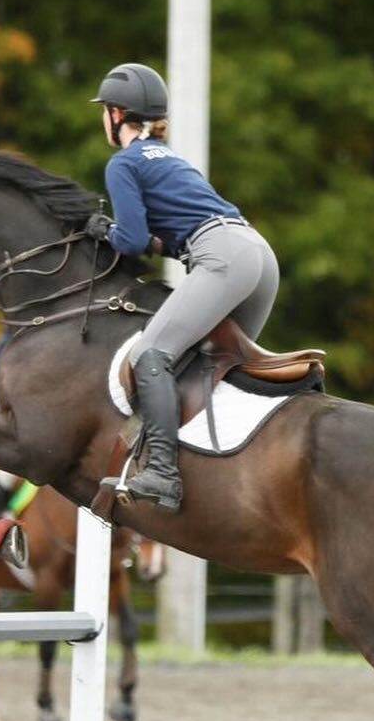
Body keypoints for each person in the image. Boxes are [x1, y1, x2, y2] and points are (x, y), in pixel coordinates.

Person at [85, 62, 279, 512]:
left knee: (149, 355)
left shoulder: (124, 162)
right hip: (257, 254)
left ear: (117, 114)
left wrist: (105, 231)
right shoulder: (170, 157)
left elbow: (131, 241)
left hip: (222, 255)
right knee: (215, 368)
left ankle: (164, 475)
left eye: (104, 111)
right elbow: (172, 235)